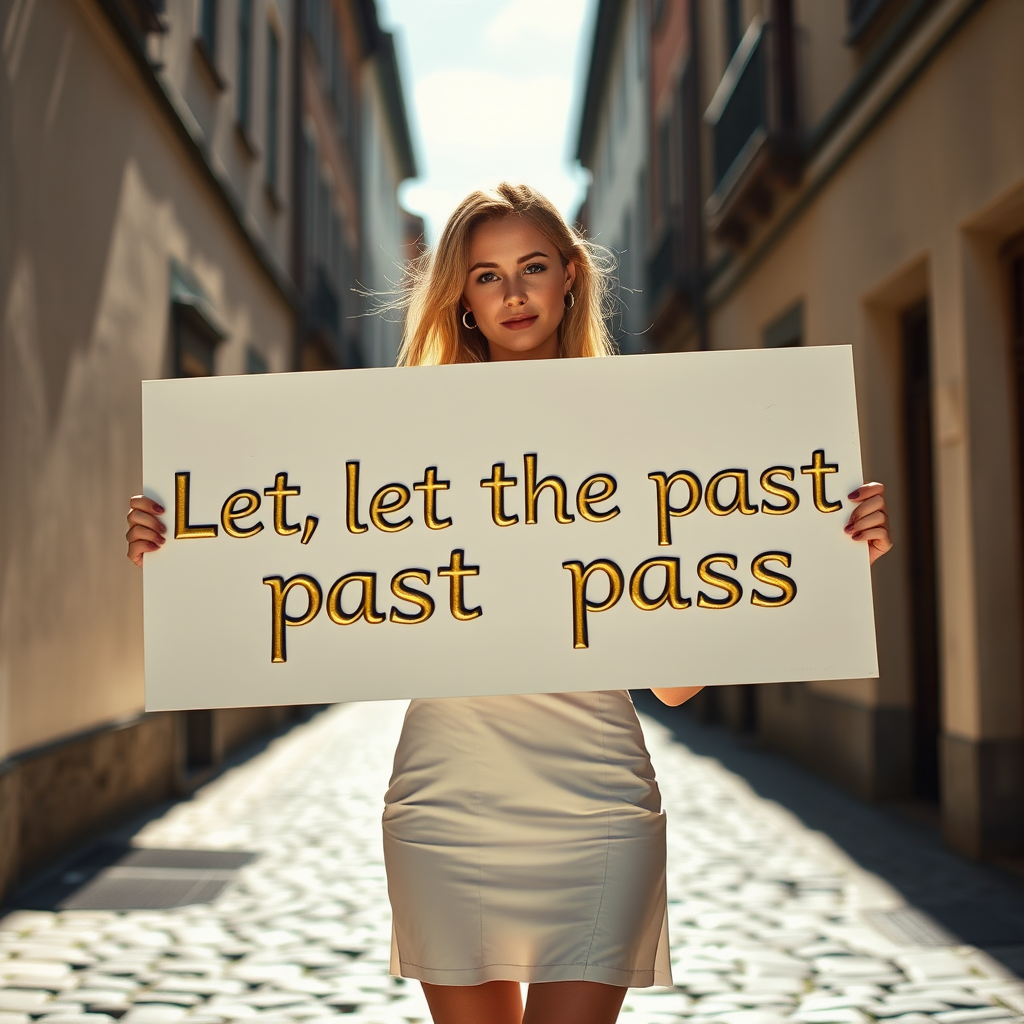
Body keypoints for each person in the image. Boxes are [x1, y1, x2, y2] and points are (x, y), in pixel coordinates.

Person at [126, 183, 893, 1024]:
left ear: (571, 276)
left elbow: (674, 687)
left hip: (599, 799)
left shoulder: (646, 429)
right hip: (447, 797)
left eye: (532, 267)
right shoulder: (408, 438)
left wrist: (822, 544)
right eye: (487, 276)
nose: (514, 293)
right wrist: (188, 541)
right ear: (461, 295)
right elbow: (305, 564)